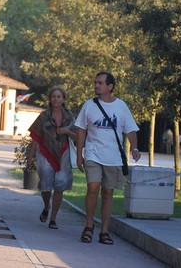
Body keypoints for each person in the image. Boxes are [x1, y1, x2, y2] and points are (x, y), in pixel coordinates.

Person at [75, 71, 141, 245]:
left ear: (110, 87)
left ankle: (104, 231)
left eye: (100, 83)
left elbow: (131, 129)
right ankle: (89, 226)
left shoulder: (121, 106)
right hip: (93, 154)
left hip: (113, 157)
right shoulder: (89, 105)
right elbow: (81, 129)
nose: (96, 85)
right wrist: (79, 154)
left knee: (108, 193)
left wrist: (134, 147)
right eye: (95, 82)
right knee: (93, 187)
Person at [27, 86, 76, 230]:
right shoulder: (44, 116)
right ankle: (46, 206)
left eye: (59, 96)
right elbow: (36, 137)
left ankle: (53, 219)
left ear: (63, 99)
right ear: (50, 99)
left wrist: (66, 131)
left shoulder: (70, 117)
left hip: (64, 153)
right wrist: (30, 157)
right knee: (46, 186)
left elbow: (78, 135)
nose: (56, 99)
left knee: (60, 185)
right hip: (45, 153)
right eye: (53, 96)